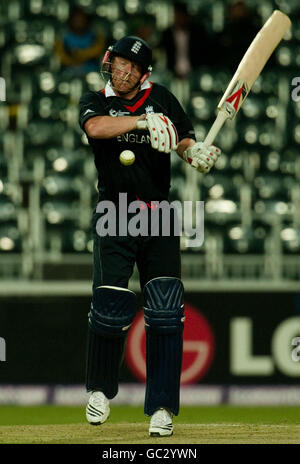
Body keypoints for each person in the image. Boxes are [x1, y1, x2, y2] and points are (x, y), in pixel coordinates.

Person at [78, 35, 221, 437]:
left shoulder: (164, 98)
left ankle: (161, 408)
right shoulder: (96, 100)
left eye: (130, 66)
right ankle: (101, 392)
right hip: (115, 213)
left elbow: (185, 140)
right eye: (118, 62)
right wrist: (141, 123)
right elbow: (96, 127)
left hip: (159, 215)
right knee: (109, 304)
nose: (121, 71)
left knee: (164, 314)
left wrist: (195, 154)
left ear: (144, 74)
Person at [54, 6, 106, 77]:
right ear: (71, 20)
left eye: (82, 20)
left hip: (91, 71)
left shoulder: (94, 34)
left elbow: (99, 49)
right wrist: (72, 60)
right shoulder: (64, 36)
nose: (79, 22)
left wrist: (80, 54)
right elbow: (60, 55)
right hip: (69, 71)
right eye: (76, 20)